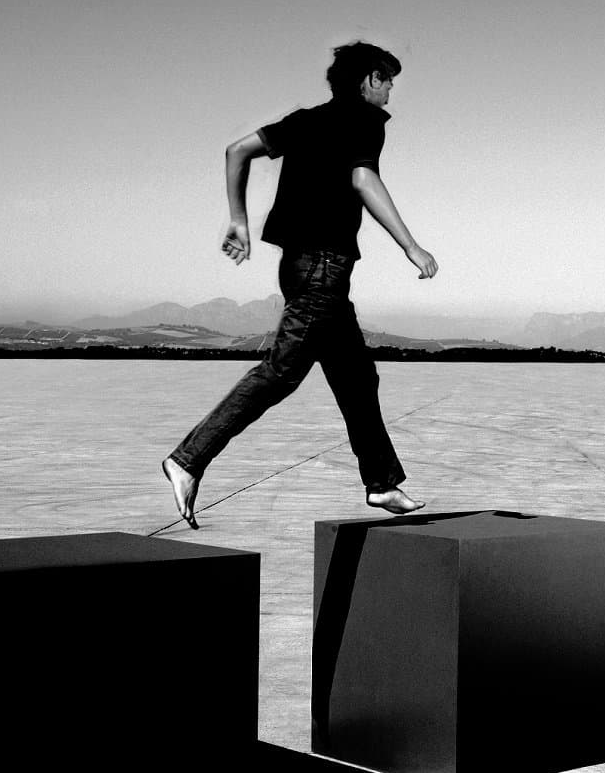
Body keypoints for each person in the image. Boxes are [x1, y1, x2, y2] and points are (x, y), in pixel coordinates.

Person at [162, 41, 438, 529]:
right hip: (323, 269)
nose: (392, 88)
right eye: (388, 78)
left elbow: (237, 150)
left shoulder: (307, 119)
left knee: (356, 377)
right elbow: (363, 180)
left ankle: (381, 483)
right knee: (280, 373)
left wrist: (238, 221)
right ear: (369, 80)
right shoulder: (364, 120)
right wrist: (411, 246)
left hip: (299, 265)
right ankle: (189, 459)